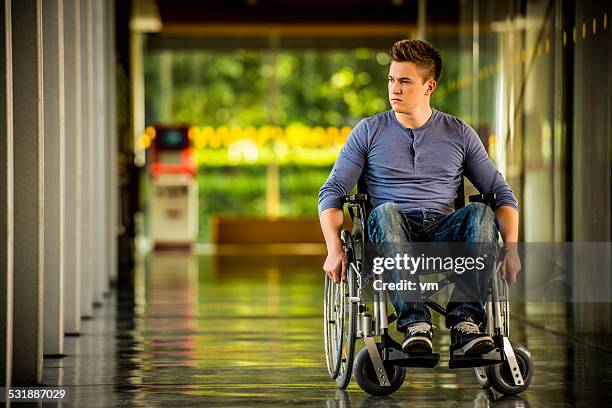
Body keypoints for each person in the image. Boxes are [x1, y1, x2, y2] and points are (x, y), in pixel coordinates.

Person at [318, 39, 521, 355]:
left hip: (443, 235)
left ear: (430, 86)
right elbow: (331, 193)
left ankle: (465, 322)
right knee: (384, 212)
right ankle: (415, 324)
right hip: (389, 235)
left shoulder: (459, 133)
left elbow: (502, 194)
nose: (394, 89)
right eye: (391, 80)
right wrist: (333, 248)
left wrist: (511, 250)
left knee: (481, 212)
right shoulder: (368, 132)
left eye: (404, 81)